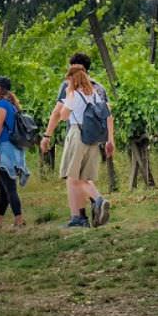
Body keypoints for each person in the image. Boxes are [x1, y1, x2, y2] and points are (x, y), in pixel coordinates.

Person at [42, 53, 114, 226]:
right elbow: (108, 115)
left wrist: (47, 135)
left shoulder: (71, 90)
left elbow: (62, 115)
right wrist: (110, 139)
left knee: (73, 177)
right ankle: (86, 214)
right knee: (83, 177)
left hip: (77, 134)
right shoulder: (98, 90)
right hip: (94, 138)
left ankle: (86, 211)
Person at [0, 76, 29, 228]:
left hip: (4, 148)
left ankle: (19, 219)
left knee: (9, 185)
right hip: (14, 148)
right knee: (3, 185)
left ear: (1, 89)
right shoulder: (11, 105)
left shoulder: (1, 105)